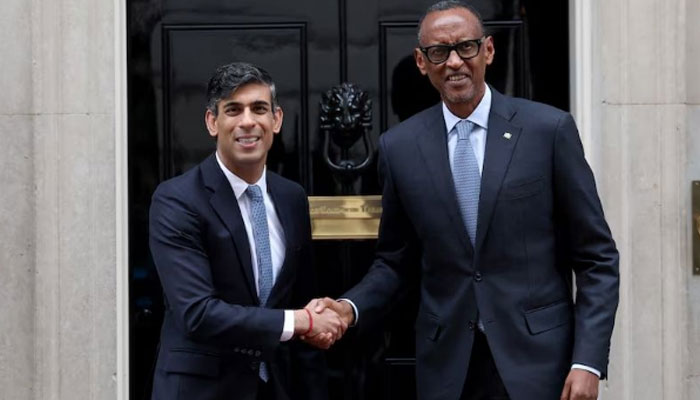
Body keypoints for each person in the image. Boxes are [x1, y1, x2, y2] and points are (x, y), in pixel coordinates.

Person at [309, 2, 620, 400]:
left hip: (541, 365)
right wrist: (348, 308)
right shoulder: (400, 148)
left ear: (488, 51)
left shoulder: (548, 130)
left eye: (466, 47)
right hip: (448, 369)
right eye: (439, 52)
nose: (454, 62)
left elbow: (597, 258)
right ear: (422, 63)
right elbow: (395, 262)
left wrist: (587, 361)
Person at [149, 62, 345, 400]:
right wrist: (300, 322)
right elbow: (198, 313)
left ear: (277, 120)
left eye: (259, 109)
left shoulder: (292, 197)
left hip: (278, 386)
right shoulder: (177, 200)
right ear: (213, 122)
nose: (248, 122)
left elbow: (303, 298)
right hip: (202, 390)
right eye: (233, 110)